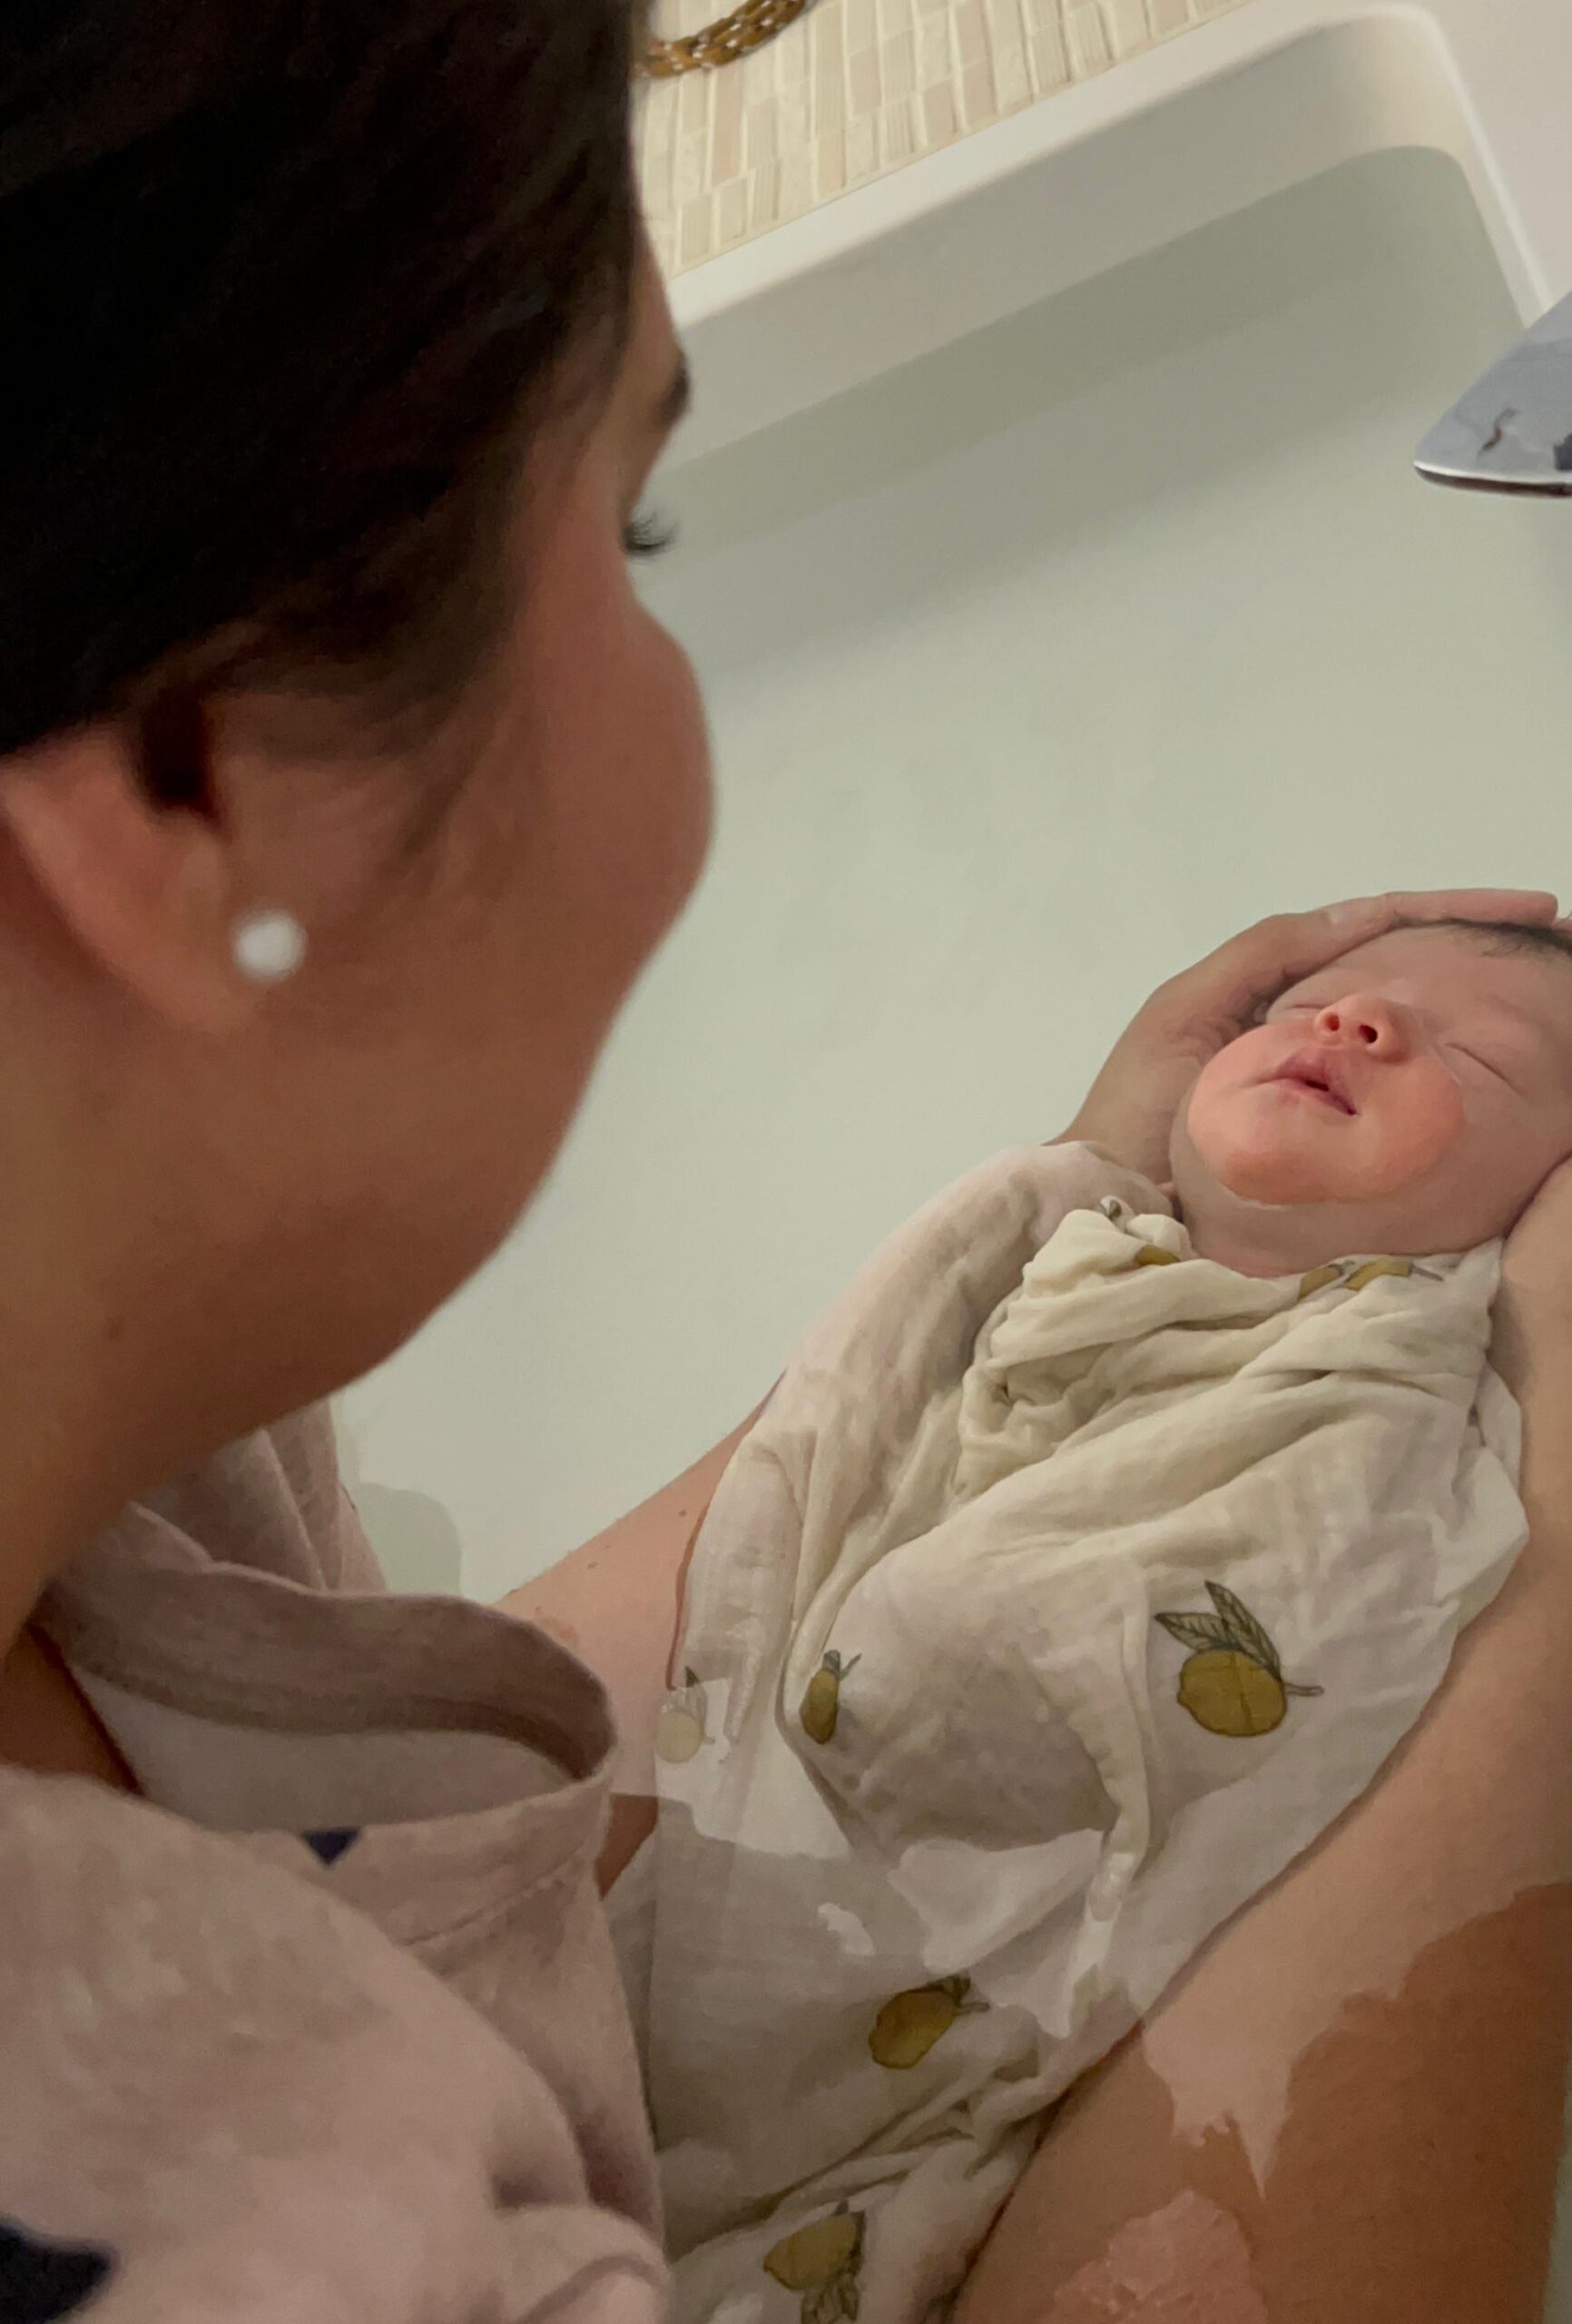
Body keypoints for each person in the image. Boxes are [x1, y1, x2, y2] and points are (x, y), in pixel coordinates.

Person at [0, 6, 1567, 2321]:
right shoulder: (259, 2248)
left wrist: (1055, 1198)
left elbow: (378, 1818)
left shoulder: (100, 1422)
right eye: (633, 525)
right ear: (186, 784)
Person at [570, 921, 1572, 2324]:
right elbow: (847, 1435)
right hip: (696, 1908)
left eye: (1476, 1056)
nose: (1359, 1028)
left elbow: (1326, 1611)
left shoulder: (1406, 1372)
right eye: (1322, 1002)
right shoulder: (1051, 1242)